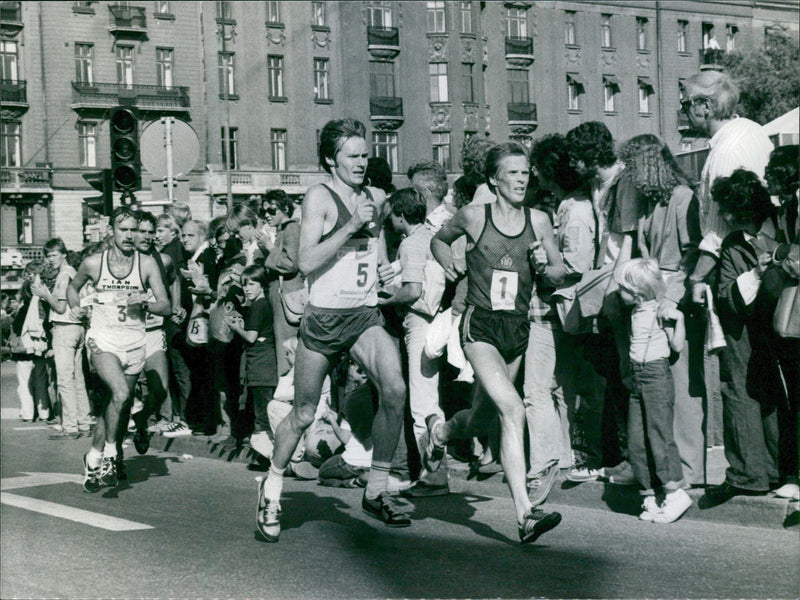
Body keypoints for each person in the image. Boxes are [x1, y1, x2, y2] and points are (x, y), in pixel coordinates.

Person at [256, 118, 409, 542]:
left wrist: (383, 270)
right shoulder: (319, 197)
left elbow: (374, 249)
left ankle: (376, 489)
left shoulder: (375, 197)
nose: (362, 162)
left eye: (365, 155)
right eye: (352, 156)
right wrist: (350, 227)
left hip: (362, 314)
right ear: (331, 159)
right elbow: (305, 262)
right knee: (304, 413)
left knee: (394, 391)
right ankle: (272, 485)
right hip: (323, 318)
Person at [427, 142, 565, 544]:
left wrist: (545, 266)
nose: (522, 180)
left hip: (516, 330)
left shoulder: (539, 221)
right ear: (494, 179)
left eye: (526, 173)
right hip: (480, 327)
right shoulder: (472, 215)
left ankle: (440, 434)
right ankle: (525, 514)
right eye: (513, 173)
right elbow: (439, 238)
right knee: (512, 408)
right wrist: (447, 260)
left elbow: (558, 272)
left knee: (481, 418)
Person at [617, 134, 706, 487]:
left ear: (650, 165)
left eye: (634, 166)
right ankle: (665, 469)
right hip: (652, 296)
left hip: (672, 298)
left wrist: (670, 299)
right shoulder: (649, 203)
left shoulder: (682, 198)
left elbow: (692, 252)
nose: (631, 174)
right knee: (657, 395)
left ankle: (688, 469)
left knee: (681, 388)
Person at [67, 206, 170, 493]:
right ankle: (112, 455)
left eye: (134, 230)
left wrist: (145, 303)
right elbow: (72, 287)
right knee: (121, 394)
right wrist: (75, 307)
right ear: (111, 231)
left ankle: (93, 456)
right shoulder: (92, 263)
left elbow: (166, 305)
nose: (129, 235)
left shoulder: (147, 264)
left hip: (134, 342)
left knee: (116, 405)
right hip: (103, 340)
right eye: (123, 229)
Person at [700, 170, 784, 508]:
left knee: (770, 396)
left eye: (729, 209)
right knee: (742, 391)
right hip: (746, 328)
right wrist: (757, 273)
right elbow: (727, 297)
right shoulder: (736, 243)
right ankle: (751, 473)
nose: (725, 216)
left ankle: (772, 471)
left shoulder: (781, 226)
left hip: (781, 323)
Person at [527, 134, 598, 502]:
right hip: (564, 309)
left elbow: (574, 269)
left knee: (541, 389)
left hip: (562, 306)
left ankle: (548, 460)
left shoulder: (574, 211)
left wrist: (541, 263)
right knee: (559, 387)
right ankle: (564, 454)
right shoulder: (570, 206)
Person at [681, 71, 774, 304]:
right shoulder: (754, 130)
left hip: (736, 268)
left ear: (706, 105)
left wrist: (697, 278)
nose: (683, 111)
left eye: (685, 104)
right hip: (766, 256)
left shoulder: (724, 153)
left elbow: (718, 233)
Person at [380, 187, 449, 497]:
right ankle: (433, 471)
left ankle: (434, 475)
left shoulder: (409, 244)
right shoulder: (433, 236)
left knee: (422, 402)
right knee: (429, 396)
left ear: (402, 215)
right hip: (437, 321)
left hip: (418, 323)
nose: (390, 221)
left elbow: (410, 291)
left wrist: (383, 301)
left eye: (392, 215)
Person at [614, 258, 693, 522]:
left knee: (658, 435)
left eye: (622, 288)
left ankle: (674, 492)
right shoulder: (631, 313)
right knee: (636, 440)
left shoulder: (661, 311)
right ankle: (648, 497)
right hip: (638, 377)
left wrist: (679, 318)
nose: (618, 292)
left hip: (657, 375)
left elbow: (677, 346)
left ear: (636, 291)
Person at [129, 211, 182, 451]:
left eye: (152, 232)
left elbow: (174, 280)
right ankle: (115, 454)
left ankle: (142, 420)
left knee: (159, 390)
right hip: (127, 333)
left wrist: (176, 305)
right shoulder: (123, 260)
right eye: (143, 231)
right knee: (124, 396)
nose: (149, 236)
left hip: (153, 330)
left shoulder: (163, 259)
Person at [764, 145, 799, 501]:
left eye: (774, 169)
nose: (768, 174)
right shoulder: (785, 209)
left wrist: (779, 253)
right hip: (790, 311)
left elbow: (788, 255)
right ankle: (793, 472)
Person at [33, 238, 92, 439]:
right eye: (48, 256)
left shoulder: (64, 276)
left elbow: (60, 307)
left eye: (54, 254)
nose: (50, 259)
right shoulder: (74, 273)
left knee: (65, 380)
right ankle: (84, 422)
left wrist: (44, 294)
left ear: (63, 254)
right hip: (78, 328)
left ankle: (70, 426)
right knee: (78, 379)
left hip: (64, 328)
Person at [226, 263, 278, 462]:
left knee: (263, 415)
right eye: (245, 284)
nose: (247, 288)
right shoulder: (260, 305)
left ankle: (265, 456)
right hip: (262, 367)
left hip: (261, 368)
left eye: (252, 284)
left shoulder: (259, 306)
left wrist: (235, 327)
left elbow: (251, 337)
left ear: (262, 285)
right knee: (264, 412)